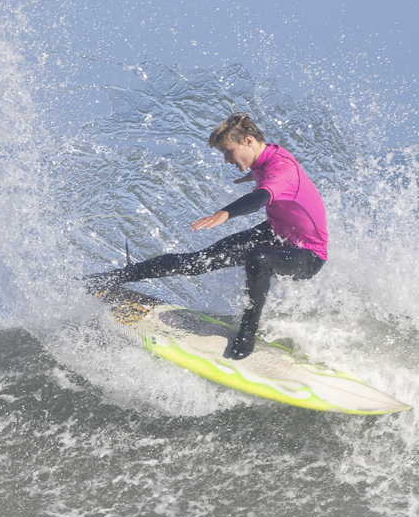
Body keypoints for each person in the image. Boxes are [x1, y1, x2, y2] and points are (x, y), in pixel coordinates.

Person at [83, 113, 328, 360]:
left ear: (248, 141)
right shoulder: (265, 156)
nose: (226, 159)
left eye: (228, 151)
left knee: (259, 259)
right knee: (198, 261)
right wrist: (254, 174)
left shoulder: (282, 170)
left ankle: (247, 332)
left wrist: (225, 213)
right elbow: (268, 171)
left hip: (307, 254)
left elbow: (260, 198)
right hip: (276, 232)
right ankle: (114, 278)